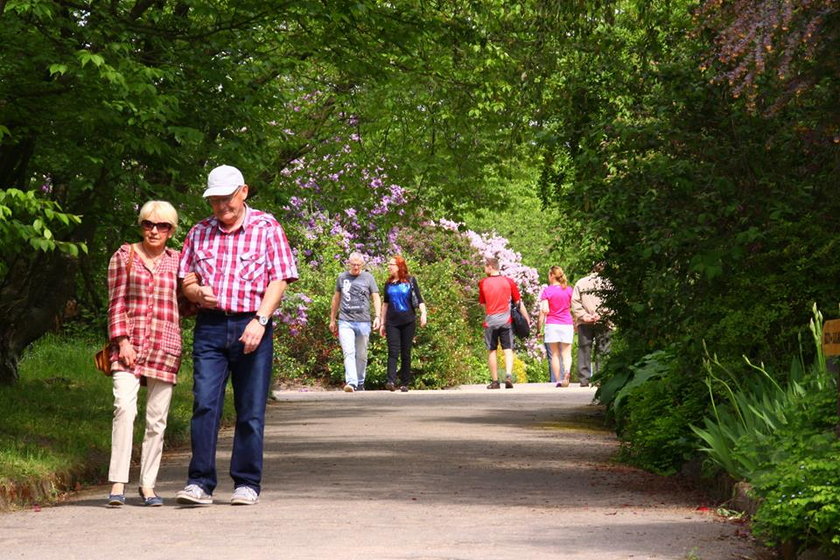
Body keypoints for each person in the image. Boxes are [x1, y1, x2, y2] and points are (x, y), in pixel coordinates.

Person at [175, 164, 298, 506]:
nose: (221, 207)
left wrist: (260, 320)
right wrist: (196, 293)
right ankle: (199, 482)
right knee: (205, 404)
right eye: (214, 201)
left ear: (243, 192)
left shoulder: (266, 227)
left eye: (226, 199)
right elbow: (186, 279)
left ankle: (246, 482)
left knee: (251, 409)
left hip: (252, 324)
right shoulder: (199, 232)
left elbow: (281, 278)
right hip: (211, 327)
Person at [105, 201, 182, 507]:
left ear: (171, 231)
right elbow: (115, 303)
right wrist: (122, 340)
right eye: (148, 224)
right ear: (141, 226)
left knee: (157, 420)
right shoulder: (125, 255)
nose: (154, 230)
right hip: (129, 346)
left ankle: (148, 485)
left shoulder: (179, 261)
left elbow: (187, 304)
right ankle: (117, 483)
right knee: (124, 408)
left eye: (162, 226)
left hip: (166, 346)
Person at [329, 252, 381, 392]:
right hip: (345, 321)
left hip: (364, 321)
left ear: (362, 264)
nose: (356, 267)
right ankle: (351, 382)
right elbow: (336, 299)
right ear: (349, 263)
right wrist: (332, 319)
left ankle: (360, 381)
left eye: (358, 265)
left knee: (362, 354)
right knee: (349, 352)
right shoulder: (342, 277)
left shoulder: (368, 277)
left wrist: (378, 316)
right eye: (353, 265)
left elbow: (376, 297)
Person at [478, 256, 530, 389]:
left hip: (490, 321)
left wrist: (488, 315)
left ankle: (495, 381)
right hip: (506, 321)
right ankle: (508, 376)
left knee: (492, 350)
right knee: (508, 349)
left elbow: (483, 304)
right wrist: (526, 318)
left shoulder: (483, 283)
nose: (484, 269)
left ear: (490, 266)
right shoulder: (509, 282)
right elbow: (518, 302)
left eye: (485, 266)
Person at [379, 256, 427, 392]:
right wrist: (382, 323)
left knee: (406, 352)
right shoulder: (388, 283)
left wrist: (423, 314)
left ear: (400, 266)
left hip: (408, 321)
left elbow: (419, 298)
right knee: (393, 351)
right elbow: (385, 304)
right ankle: (391, 381)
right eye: (388, 264)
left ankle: (405, 382)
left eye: (392, 264)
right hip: (392, 322)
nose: (389, 267)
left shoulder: (410, 281)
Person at [571, 261, 613, 387]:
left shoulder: (581, 282)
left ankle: (584, 379)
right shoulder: (609, 283)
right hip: (604, 321)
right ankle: (601, 378)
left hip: (585, 321)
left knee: (584, 349)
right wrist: (602, 314)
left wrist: (584, 316)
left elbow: (575, 302)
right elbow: (612, 303)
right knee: (603, 349)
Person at [537, 266, 575, 387]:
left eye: (549, 274)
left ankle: (558, 380)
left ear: (552, 276)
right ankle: (567, 372)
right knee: (566, 353)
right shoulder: (569, 290)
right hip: (567, 324)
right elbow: (574, 307)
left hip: (552, 324)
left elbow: (544, 310)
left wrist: (539, 328)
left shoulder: (547, 291)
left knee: (554, 354)